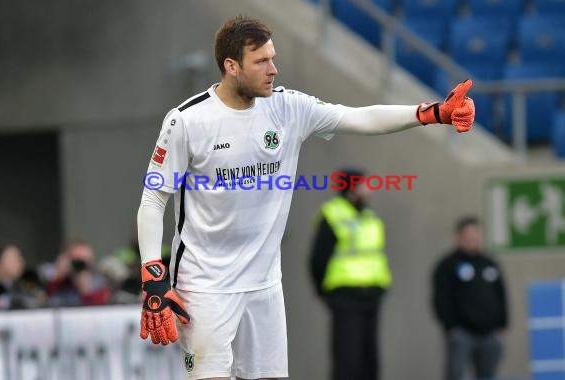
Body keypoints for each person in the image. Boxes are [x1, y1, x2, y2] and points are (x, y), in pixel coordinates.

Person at [136, 15, 475, 380]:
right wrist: (153, 275)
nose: (273, 69)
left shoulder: (287, 108)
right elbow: (154, 199)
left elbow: (358, 118)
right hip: (204, 287)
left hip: (265, 285)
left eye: (273, 57)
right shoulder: (187, 121)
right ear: (231, 66)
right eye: (261, 61)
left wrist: (431, 113)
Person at [309, 169, 391, 380]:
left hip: (372, 294)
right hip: (345, 295)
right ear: (352, 189)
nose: (370, 189)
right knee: (347, 357)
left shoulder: (369, 216)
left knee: (369, 357)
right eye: (365, 185)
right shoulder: (332, 214)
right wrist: (321, 291)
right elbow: (318, 258)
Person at [432, 216, 508, 380]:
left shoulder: (489, 263)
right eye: (468, 234)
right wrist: (451, 326)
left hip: (490, 333)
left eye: (476, 233)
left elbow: (501, 295)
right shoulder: (448, 265)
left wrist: (502, 325)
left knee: (487, 375)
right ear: (458, 237)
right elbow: (441, 298)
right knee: (456, 373)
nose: (473, 238)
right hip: (462, 333)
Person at [45, 239, 111, 307]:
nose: (78, 266)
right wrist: (56, 279)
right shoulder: (57, 282)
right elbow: (42, 301)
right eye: (75, 260)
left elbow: (101, 310)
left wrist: (87, 293)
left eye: (83, 262)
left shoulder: (99, 284)